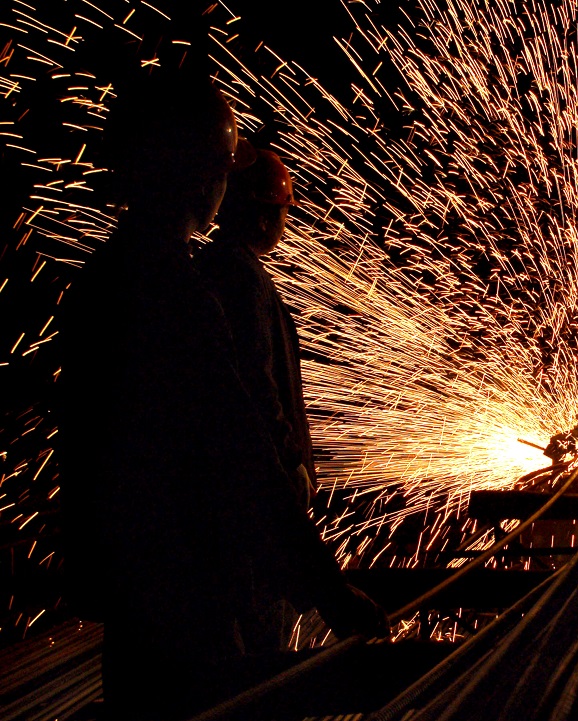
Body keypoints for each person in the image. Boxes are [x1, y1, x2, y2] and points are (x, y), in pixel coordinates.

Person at [54, 72, 387, 720]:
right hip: (187, 593)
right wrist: (329, 591)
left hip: (132, 592)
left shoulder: (105, 279)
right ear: (196, 173)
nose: (224, 188)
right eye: (219, 171)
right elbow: (244, 451)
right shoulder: (176, 295)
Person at [195, 145, 316, 653]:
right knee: (261, 639)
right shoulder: (243, 280)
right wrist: (291, 464)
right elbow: (258, 390)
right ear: (265, 215)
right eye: (283, 212)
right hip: (257, 504)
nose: (285, 223)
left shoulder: (213, 269)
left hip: (232, 502)